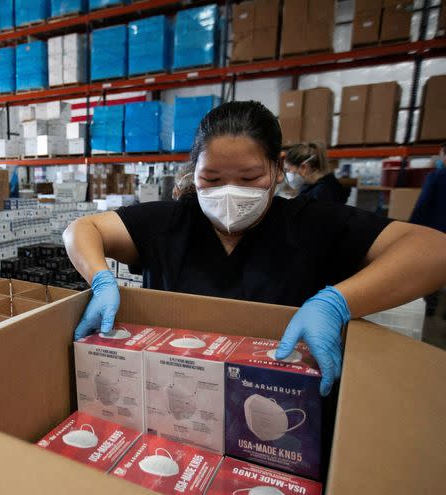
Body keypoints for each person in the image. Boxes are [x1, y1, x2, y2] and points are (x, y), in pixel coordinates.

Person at [63, 101, 446, 396]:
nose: (229, 192)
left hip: (277, 399)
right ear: (193, 172)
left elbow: (432, 249)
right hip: (174, 395)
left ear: (278, 168)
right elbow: (83, 229)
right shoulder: (168, 222)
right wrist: (100, 279)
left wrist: (336, 302)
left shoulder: (313, 223)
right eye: (211, 179)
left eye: (250, 177)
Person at [410, 143, 446, 315]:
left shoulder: (436, 177)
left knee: (433, 272)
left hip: (436, 233)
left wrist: (410, 230)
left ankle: (430, 307)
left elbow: (422, 206)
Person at [285, 142, 349, 204]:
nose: (288, 173)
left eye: (289, 169)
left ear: (303, 167)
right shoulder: (313, 186)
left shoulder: (322, 194)